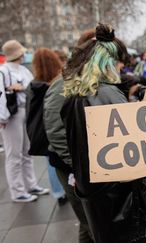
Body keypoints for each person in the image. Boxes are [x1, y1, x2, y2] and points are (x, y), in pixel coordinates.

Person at [61, 23, 146, 243]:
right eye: (117, 63)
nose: (121, 68)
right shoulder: (109, 94)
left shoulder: (74, 96)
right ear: (107, 63)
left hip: (96, 195)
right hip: (121, 198)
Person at [45, 33, 96, 242]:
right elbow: (56, 131)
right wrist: (77, 165)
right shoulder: (65, 82)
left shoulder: (87, 78)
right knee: (90, 222)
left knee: (89, 223)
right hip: (71, 167)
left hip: (82, 165)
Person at [0, 40, 49, 203]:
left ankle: (31, 184)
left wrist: (20, 88)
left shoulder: (22, 70)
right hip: (11, 115)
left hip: (24, 112)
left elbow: (30, 88)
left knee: (27, 152)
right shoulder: (3, 71)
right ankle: (17, 191)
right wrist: (2, 117)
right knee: (14, 155)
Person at [26, 48, 67, 205]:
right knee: (59, 158)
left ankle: (58, 193)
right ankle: (68, 188)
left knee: (49, 161)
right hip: (57, 127)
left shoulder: (33, 85)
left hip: (41, 129)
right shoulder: (59, 83)